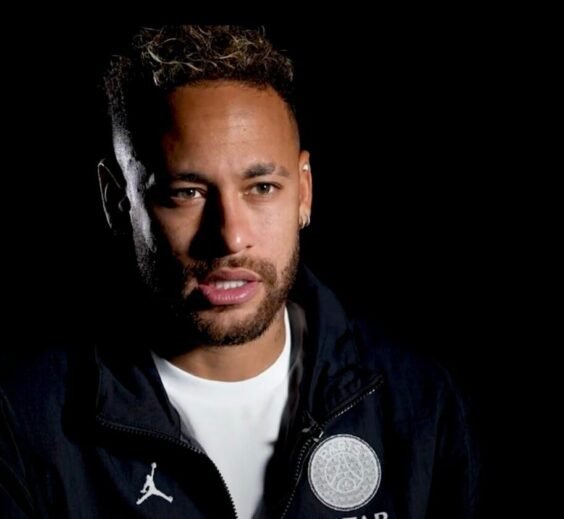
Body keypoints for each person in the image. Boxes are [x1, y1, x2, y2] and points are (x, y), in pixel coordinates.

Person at [0, 25, 479, 518]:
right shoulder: (28, 425)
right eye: (186, 193)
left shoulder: (419, 403)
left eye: (262, 188)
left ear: (304, 192)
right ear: (117, 200)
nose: (230, 237)